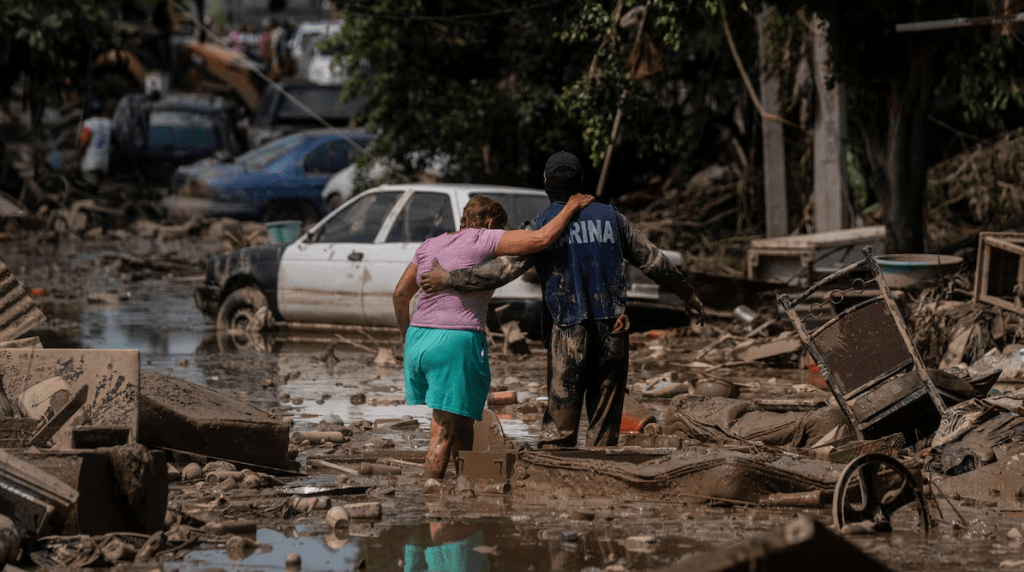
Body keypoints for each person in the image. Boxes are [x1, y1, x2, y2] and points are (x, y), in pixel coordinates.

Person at [420, 151, 705, 449]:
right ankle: (603, 477)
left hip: (567, 330)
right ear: (580, 181)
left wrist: (450, 278)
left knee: (559, 427)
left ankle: (557, 479)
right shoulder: (613, 218)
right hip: (614, 329)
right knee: (604, 423)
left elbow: (501, 272)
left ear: (547, 183)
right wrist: (687, 294)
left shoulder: (543, 225)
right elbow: (654, 262)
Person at [393, 192, 594, 480]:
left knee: (461, 420)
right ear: (489, 222)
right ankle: (431, 503)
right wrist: (571, 207)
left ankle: (468, 482)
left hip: (418, 340)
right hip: (455, 340)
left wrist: (406, 335)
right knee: (442, 433)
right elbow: (540, 239)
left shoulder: (430, 244)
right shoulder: (484, 239)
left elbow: (400, 295)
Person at [77, 98, 113, 189]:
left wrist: (78, 159)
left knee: (89, 191)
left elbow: (82, 143)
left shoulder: (88, 124)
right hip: (104, 165)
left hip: (89, 164)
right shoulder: (109, 123)